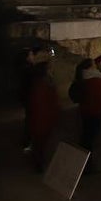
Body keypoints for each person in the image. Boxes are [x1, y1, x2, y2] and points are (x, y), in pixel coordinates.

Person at [73, 52, 101, 174]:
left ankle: (83, 162)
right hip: (94, 112)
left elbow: (94, 61)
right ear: (90, 67)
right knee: (90, 139)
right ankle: (86, 166)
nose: (96, 66)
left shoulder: (84, 76)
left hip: (86, 111)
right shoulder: (94, 79)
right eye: (94, 65)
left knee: (86, 137)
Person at [25, 45, 60, 173]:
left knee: (41, 142)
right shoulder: (41, 83)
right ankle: (38, 163)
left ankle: (39, 161)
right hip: (42, 118)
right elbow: (42, 103)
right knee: (40, 142)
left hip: (41, 117)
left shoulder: (40, 82)